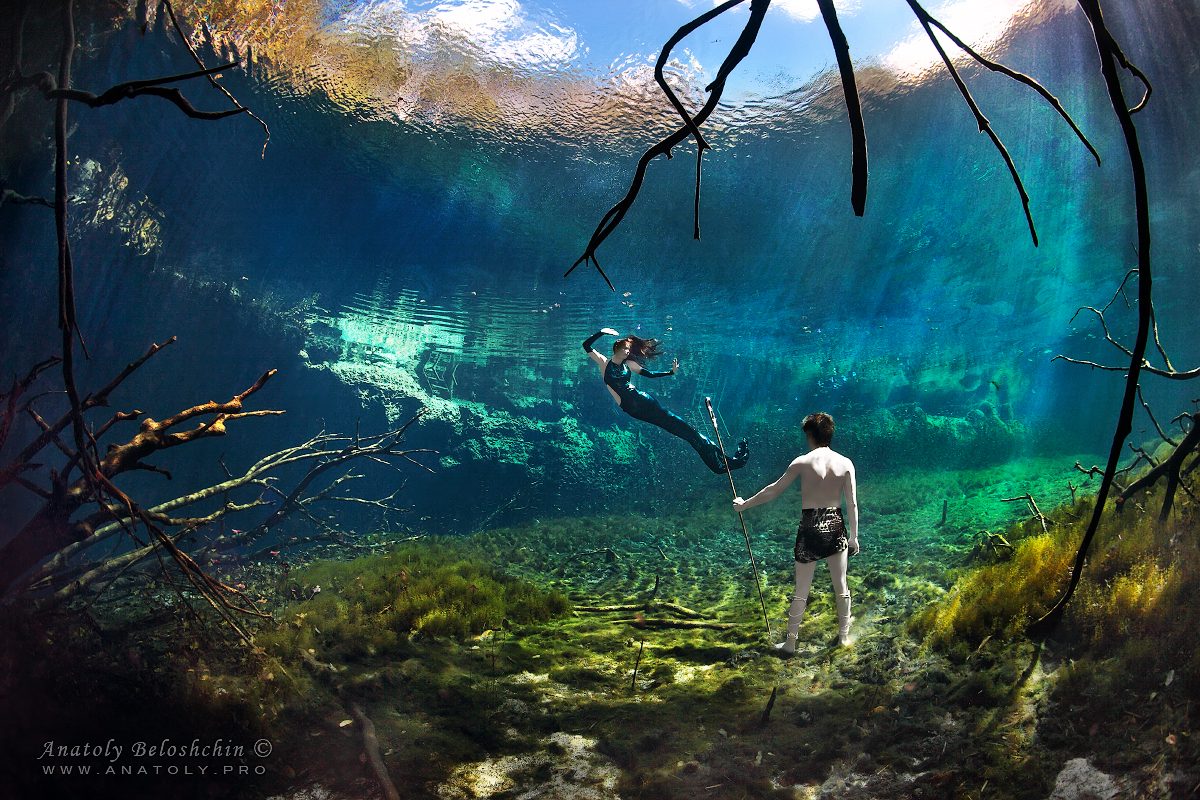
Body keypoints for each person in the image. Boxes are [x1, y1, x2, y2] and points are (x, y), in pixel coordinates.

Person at [733, 412, 859, 653]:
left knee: (801, 589)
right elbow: (852, 504)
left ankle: (791, 642)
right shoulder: (846, 463)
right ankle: (843, 638)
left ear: (809, 435)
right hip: (835, 525)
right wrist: (854, 536)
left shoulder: (801, 462)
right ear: (830, 434)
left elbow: (773, 490)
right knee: (841, 586)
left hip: (810, 526)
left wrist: (744, 504)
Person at [582, 328, 748, 474]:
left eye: (628, 350)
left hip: (645, 401)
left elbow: (650, 374)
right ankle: (721, 462)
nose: (627, 352)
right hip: (633, 408)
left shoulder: (629, 364)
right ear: (616, 349)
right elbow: (586, 346)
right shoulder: (604, 363)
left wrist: (670, 372)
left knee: (684, 430)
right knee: (680, 429)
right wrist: (602, 332)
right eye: (625, 350)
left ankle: (722, 462)